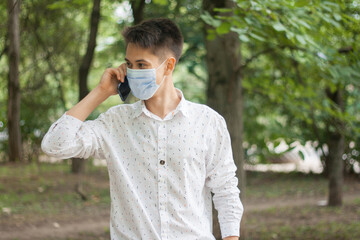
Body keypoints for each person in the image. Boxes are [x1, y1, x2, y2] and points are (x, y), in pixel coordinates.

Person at [41, 18, 243, 240]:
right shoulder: (115, 123)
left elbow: (226, 191)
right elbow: (55, 145)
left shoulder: (208, 122)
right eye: (129, 64)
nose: (132, 71)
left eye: (141, 65)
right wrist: (100, 91)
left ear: (168, 65)